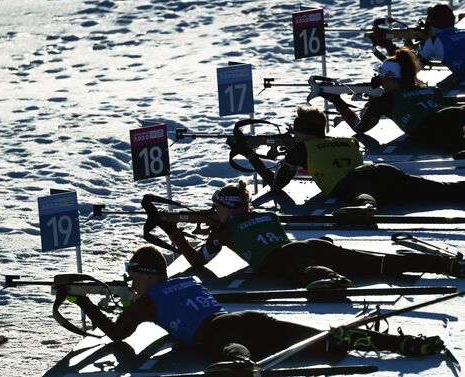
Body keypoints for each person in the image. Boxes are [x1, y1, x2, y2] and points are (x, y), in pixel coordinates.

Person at [71, 245, 446, 371]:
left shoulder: (147, 299)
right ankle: (405, 344)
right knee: (327, 339)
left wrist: (86, 302)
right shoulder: (184, 281)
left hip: (220, 333)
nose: (129, 281)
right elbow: (161, 304)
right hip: (247, 319)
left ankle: (238, 366)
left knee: (234, 353)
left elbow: (120, 336)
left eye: (130, 275)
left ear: (145, 275)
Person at [158, 180, 465, 290]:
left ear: (224, 208)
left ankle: (329, 279)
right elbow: (247, 224)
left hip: (282, 260)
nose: (213, 212)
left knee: (304, 272)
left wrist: (176, 236)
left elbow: (200, 262)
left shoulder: (223, 231)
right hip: (309, 244)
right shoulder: (267, 215)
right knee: (378, 263)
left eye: (215, 208)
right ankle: (444, 264)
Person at [238, 105, 465, 214]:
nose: (293, 136)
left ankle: (366, 207)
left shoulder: (301, 149)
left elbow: (277, 186)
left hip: (355, 183)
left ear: (303, 132)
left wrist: (251, 157)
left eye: (296, 132)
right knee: (440, 190)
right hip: (382, 171)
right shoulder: (348, 141)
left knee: (360, 197)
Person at [322, 48, 465, 155]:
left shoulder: (386, 101)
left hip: (432, 126)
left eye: (382, 79)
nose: (382, 84)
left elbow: (359, 127)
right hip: (447, 118)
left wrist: (338, 102)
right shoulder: (432, 90)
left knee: (451, 137)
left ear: (390, 78)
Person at [417, 4, 465, 93]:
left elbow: (415, 67)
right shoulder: (463, 32)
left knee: (437, 92)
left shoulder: (434, 41)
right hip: (461, 75)